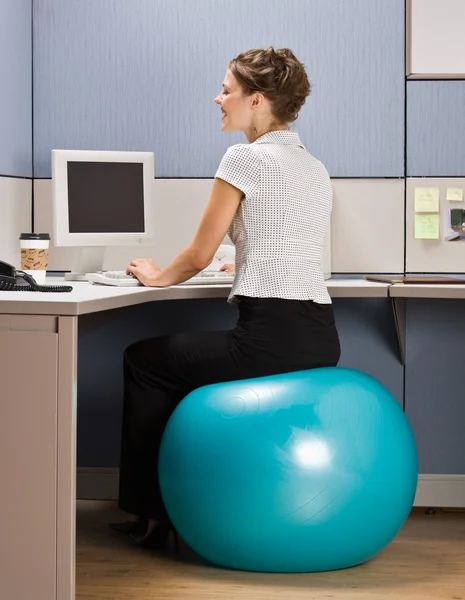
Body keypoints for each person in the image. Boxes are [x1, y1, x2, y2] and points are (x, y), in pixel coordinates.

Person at [110, 47, 341, 549]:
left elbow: (196, 255)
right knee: (174, 360)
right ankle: (171, 510)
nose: (218, 98)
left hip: (269, 339)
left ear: (256, 100)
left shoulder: (245, 157)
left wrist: (156, 276)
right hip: (320, 336)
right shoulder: (313, 165)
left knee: (145, 361)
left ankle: (152, 515)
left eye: (227, 90)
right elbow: (291, 243)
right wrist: (245, 261)